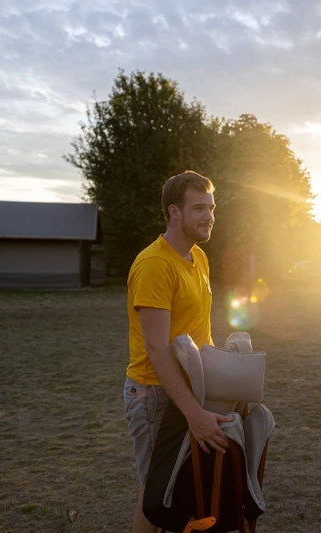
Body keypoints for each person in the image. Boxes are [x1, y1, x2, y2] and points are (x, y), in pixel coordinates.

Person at [123, 171, 232, 533]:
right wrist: (193, 412)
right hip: (154, 393)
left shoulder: (198, 256)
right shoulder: (155, 265)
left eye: (211, 208)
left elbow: (200, 331)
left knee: (183, 489)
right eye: (199, 208)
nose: (209, 216)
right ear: (174, 212)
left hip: (192, 389)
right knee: (156, 493)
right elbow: (156, 347)